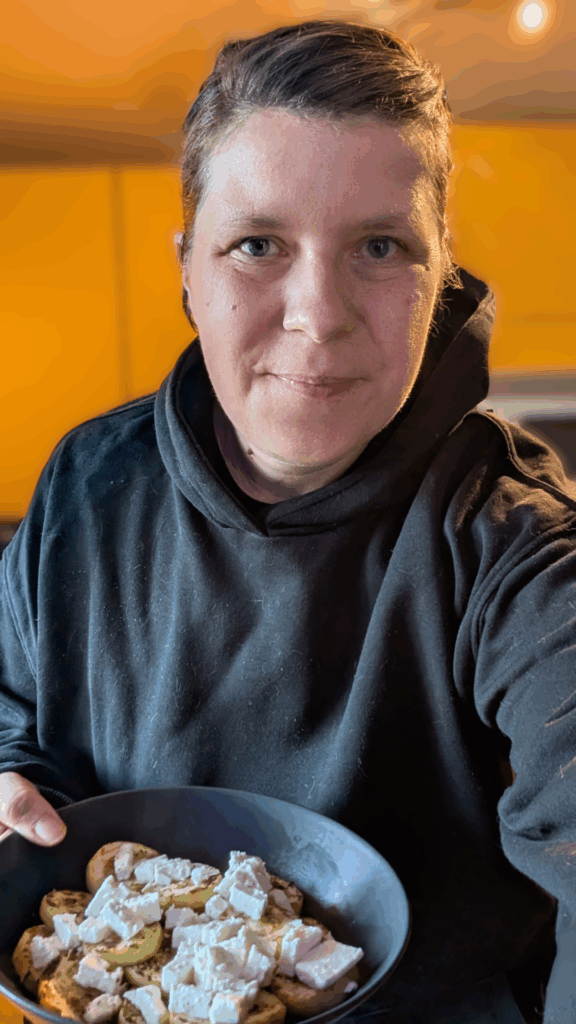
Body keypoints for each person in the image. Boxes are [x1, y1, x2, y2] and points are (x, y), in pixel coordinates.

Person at [0, 18, 575, 1024]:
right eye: (258, 244)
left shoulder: (513, 539)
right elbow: (10, 706)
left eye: (380, 246)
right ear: (188, 270)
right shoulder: (86, 483)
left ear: (440, 276)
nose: (319, 312)